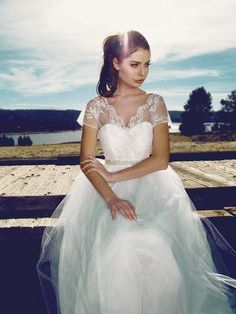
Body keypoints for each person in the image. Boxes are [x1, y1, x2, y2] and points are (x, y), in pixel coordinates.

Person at [37, 30, 236, 314]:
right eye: (135, 64)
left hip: (154, 188)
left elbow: (161, 159)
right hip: (103, 194)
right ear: (116, 63)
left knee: (155, 248)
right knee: (118, 250)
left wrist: (114, 176)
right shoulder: (96, 107)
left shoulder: (155, 102)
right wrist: (111, 198)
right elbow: (87, 161)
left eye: (147, 64)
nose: (142, 72)